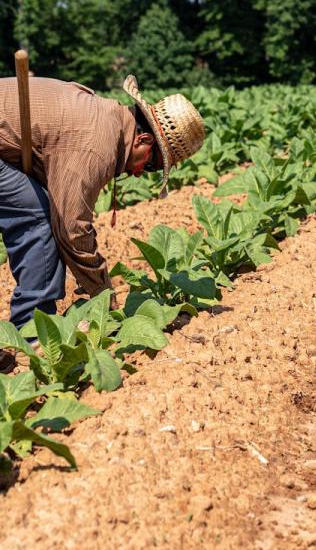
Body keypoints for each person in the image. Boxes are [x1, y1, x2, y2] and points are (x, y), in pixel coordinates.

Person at [0, 74, 205, 369]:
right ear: (143, 140)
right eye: (150, 165)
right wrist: (102, 293)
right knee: (38, 217)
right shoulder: (97, 145)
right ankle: (30, 334)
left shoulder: (107, 118)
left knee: (37, 207)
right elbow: (71, 228)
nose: (139, 173)